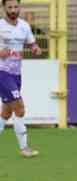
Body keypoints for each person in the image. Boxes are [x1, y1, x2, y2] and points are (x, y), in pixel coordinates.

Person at [0, 0, 42, 157]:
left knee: (5, 113)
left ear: (19, 7)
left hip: (16, 74)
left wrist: (35, 48)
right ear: (4, 8)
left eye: (15, 6)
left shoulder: (24, 26)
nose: (13, 10)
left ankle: (24, 148)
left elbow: (32, 44)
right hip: (2, 73)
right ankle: (24, 149)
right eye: (9, 7)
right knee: (20, 108)